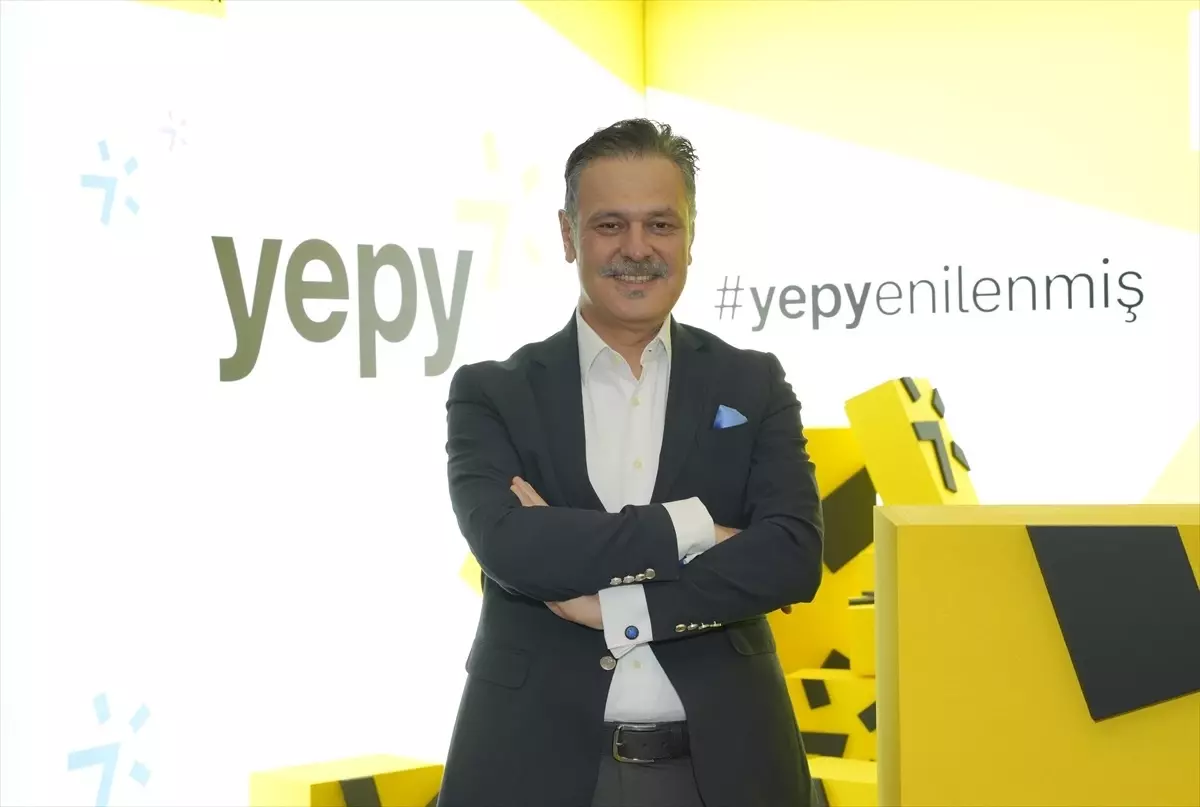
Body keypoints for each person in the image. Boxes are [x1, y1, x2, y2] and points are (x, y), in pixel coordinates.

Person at [438, 118, 824, 807]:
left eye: (660, 225)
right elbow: (513, 548)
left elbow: (792, 556)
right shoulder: (493, 392)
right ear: (568, 235)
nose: (637, 248)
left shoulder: (752, 383)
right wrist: (698, 529)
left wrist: (618, 611)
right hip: (531, 764)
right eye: (610, 225)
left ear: (690, 236)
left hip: (728, 770)